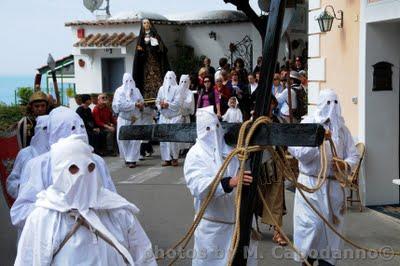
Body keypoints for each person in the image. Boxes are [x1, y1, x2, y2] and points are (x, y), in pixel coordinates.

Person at [15, 135, 156, 265]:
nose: (82, 174)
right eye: (73, 168)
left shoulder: (116, 210)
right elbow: (28, 259)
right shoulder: (44, 217)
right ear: (58, 172)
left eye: (90, 167)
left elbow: (143, 254)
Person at [10, 106, 117, 232]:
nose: (78, 133)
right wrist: (61, 210)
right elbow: (20, 212)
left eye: (81, 127)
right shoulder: (38, 165)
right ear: (55, 131)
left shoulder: (96, 161)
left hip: (95, 234)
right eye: (71, 128)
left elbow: (111, 197)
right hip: (54, 238)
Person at [288, 89, 359, 266]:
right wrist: (318, 140)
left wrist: (344, 164)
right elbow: (298, 152)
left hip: (334, 188)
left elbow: (353, 155)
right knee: (311, 231)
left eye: (335, 102)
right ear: (320, 104)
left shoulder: (342, 129)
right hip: (311, 188)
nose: (332, 107)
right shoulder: (308, 124)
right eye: (328, 103)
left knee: (331, 236)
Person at [184, 106, 258, 265]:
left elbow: (249, 162)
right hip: (212, 230)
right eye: (207, 129)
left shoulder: (232, 149)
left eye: (216, 127)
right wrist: (229, 182)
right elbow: (197, 186)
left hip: (238, 224)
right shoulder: (195, 154)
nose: (213, 133)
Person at [7, 115, 49, 200]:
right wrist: (23, 189)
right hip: (29, 206)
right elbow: (12, 182)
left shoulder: (60, 154)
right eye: (44, 129)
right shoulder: (25, 153)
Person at [112, 73, 144, 168]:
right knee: (122, 139)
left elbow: (141, 101)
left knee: (135, 140)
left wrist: (141, 105)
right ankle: (127, 157)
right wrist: (134, 105)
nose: (129, 83)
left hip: (135, 119)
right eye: (126, 81)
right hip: (124, 119)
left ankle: (132, 159)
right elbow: (120, 105)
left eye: (130, 80)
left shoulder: (137, 90)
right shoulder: (119, 91)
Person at [133, 18, 170, 101]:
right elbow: (138, 52)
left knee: (158, 79)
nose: (146, 24)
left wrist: (156, 44)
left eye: (147, 23)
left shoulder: (156, 35)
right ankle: (148, 97)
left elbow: (163, 49)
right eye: (144, 23)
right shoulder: (141, 37)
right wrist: (141, 50)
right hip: (145, 63)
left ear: (150, 24)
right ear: (142, 25)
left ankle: (159, 96)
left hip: (155, 62)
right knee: (146, 80)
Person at [156, 71, 182, 167]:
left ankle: (175, 158)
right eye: (167, 78)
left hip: (174, 117)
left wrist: (168, 104)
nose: (168, 80)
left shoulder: (178, 89)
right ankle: (166, 158)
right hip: (164, 117)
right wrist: (160, 105)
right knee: (164, 139)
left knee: (174, 139)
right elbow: (157, 101)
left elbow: (178, 103)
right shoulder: (161, 89)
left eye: (170, 78)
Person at [178, 74, 195, 156]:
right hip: (178, 116)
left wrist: (182, 102)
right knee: (179, 133)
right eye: (182, 81)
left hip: (186, 116)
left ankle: (186, 149)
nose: (183, 83)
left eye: (185, 82)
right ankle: (179, 149)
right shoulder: (177, 91)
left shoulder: (189, 93)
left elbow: (188, 104)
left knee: (186, 133)